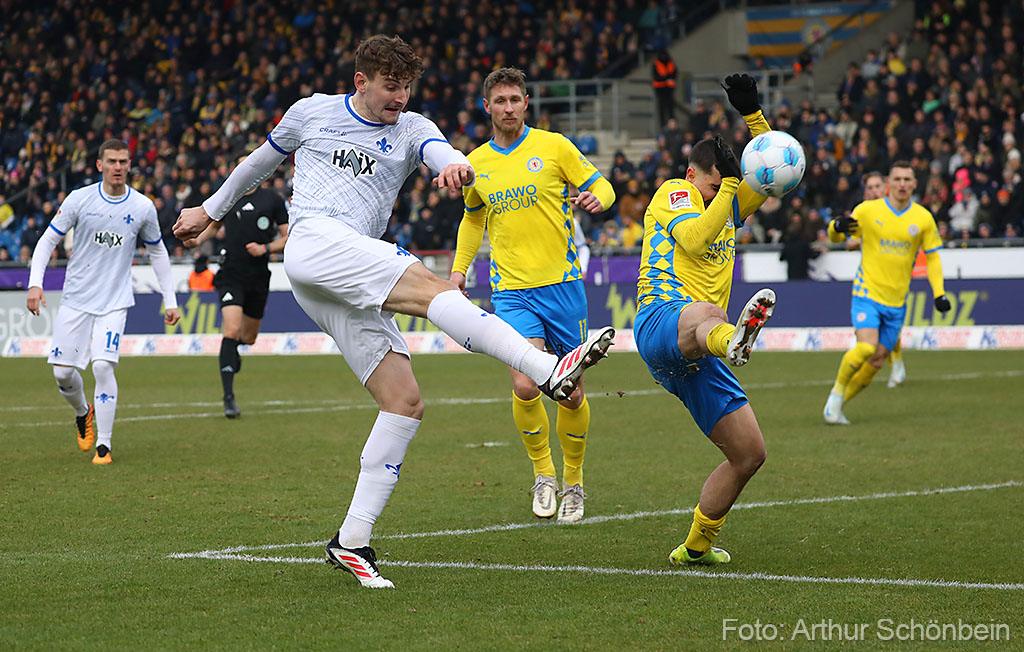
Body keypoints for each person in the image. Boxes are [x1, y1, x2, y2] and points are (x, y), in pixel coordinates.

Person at [172, 35, 614, 589]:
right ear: (361, 81)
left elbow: (441, 153)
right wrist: (209, 212)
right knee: (433, 290)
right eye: (390, 86)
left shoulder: (412, 127)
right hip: (314, 243)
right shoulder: (311, 112)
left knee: (403, 402)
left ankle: (351, 541)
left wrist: (455, 168)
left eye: (407, 87)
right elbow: (257, 165)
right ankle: (549, 370)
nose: (400, 97)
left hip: (340, 274)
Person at [449, 67, 616, 523]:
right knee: (524, 383)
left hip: (563, 287)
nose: (507, 108)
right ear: (487, 107)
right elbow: (473, 218)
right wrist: (459, 270)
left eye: (514, 99)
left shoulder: (554, 146)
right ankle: (543, 474)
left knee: (571, 394)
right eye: (498, 101)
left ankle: (574, 482)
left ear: (526, 103)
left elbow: (601, 184)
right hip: (511, 292)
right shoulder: (475, 163)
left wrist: (601, 198)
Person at [633, 74, 776, 566]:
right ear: (695, 175)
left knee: (749, 453)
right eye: (714, 186)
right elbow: (694, 240)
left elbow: (772, 167)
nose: (723, 194)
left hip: (699, 351)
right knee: (708, 313)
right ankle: (732, 340)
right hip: (660, 322)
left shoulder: (726, 203)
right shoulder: (674, 191)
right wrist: (729, 188)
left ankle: (696, 545)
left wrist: (752, 113)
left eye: (724, 188)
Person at [26, 139, 181, 464]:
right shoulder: (79, 200)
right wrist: (35, 285)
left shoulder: (142, 207)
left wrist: (170, 299)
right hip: (76, 300)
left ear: (129, 164)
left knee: (102, 365)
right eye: (111, 161)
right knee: (63, 374)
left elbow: (157, 251)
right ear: (99, 165)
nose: (118, 167)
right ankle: (84, 413)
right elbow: (47, 241)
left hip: (114, 301)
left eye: (123, 161)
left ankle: (104, 447)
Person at [822, 162, 950, 425]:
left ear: (915, 184)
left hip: (897, 302)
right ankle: (835, 395)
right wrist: (836, 227)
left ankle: (839, 405)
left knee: (878, 360)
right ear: (889, 184)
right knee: (866, 346)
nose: (903, 184)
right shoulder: (868, 211)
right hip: (866, 292)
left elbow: (933, 258)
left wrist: (939, 293)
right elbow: (837, 238)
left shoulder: (923, 218)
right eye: (898, 179)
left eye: (908, 179)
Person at [188, 163, 289, 418]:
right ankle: (229, 398)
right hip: (230, 273)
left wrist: (265, 249)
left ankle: (233, 353)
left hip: (258, 275)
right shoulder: (227, 195)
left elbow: (289, 237)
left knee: (248, 337)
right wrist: (196, 239)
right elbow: (211, 225)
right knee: (231, 330)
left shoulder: (273, 200)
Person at [860, 171, 907, 388]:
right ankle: (894, 362)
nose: (874, 191)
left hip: (893, 273)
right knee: (875, 325)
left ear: (885, 187)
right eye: (869, 187)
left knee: (888, 324)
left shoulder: (896, 209)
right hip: (871, 273)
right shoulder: (864, 211)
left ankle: (896, 362)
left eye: (877, 186)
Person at [652, 50, 678, 127]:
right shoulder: (656, 64)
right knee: (662, 107)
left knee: (670, 107)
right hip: (660, 89)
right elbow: (656, 77)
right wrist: (666, 78)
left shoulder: (671, 63)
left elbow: (675, 74)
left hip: (669, 89)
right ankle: (663, 125)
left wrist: (667, 78)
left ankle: (672, 125)